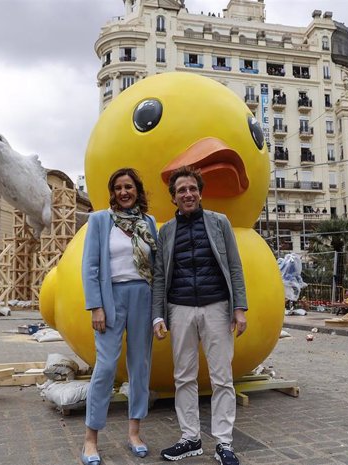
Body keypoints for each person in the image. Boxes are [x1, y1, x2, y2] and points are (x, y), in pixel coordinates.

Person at [152, 166, 247, 465]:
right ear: (174, 197)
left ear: (200, 192)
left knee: (222, 378)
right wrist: (158, 316)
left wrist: (239, 308)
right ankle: (190, 438)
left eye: (192, 188)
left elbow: (234, 266)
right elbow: (158, 276)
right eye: (181, 190)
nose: (188, 194)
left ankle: (223, 443)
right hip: (179, 309)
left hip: (216, 307)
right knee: (184, 377)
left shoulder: (219, 222)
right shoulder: (165, 231)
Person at [81, 168, 158, 465]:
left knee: (140, 365)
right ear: (112, 193)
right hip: (111, 298)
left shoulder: (148, 223)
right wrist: (96, 306)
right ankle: (90, 440)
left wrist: (158, 312)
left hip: (143, 296)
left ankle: (134, 433)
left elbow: (157, 266)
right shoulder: (100, 220)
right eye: (118, 188)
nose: (124, 192)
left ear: (137, 190)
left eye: (129, 187)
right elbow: (90, 267)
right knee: (105, 367)